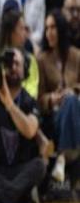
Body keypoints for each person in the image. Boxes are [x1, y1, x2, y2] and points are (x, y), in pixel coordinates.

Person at [0, 48, 46, 203]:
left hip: (21, 168)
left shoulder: (29, 100)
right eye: (9, 65)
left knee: (39, 166)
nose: (13, 68)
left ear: (24, 69)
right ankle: (19, 195)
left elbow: (30, 130)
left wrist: (9, 104)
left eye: (17, 64)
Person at [37, 10, 80, 183]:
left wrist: (74, 91)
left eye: (53, 27)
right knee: (69, 102)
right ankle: (66, 157)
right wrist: (52, 98)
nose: (49, 32)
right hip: (54, 117)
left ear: (61, 29)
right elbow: (39, 98)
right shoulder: (41, 59)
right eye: (47, 28)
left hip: (76, 110)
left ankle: (62, 158)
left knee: (71, 101)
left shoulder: (76, 56)